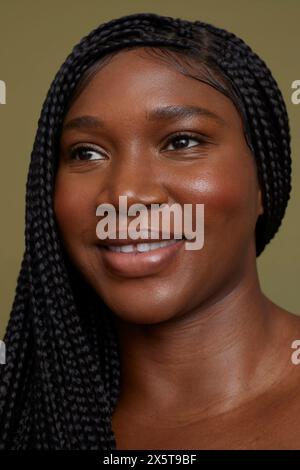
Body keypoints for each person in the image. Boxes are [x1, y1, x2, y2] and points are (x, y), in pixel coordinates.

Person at [1, 11, 299, 450]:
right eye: (86, 152)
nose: (126, 194)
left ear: (263, 182)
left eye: (181, 142)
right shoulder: (19, 415)